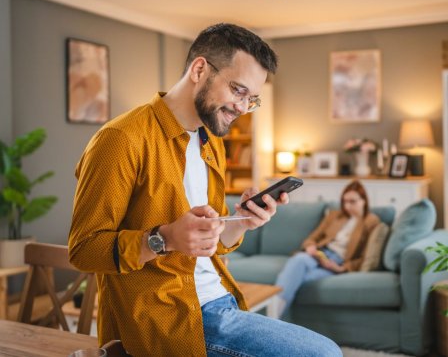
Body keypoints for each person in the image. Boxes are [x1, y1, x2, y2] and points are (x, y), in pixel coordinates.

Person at [68, 23, 342, 357]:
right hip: (169, 318)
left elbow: (208, 242)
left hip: (220, 300)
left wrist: (242, 221)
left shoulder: (210, 142)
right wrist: (164, 238)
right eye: (238, 90)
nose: (243, 107)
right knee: (324, 354)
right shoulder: (121, 139)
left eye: (251, 99)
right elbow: (83, 250)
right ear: (200, 69)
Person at [275, 180, 381, 314]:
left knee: (298, 278)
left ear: (363, 201)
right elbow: (313, 238)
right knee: (299, 260)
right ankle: (274, 316)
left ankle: (273, 314)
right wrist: (310, 247)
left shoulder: (371, 221)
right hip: (319, 254)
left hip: (335, 263)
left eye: (352, 201)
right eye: (345, 201)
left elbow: (364, 257)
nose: (347, 206)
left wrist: (341, 268)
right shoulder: (334, 215)